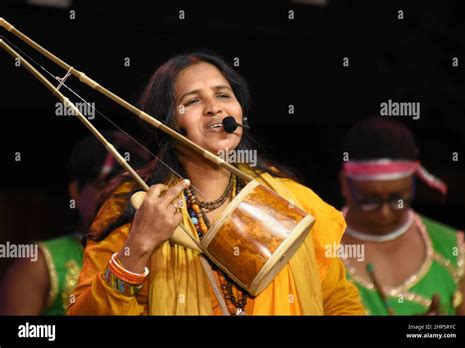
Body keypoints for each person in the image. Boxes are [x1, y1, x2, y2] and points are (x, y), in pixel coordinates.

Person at [67, 52, 365, 315]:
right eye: (193, 100)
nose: (214, 108)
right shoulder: (139, 204)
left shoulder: (289, 198)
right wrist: (138, 247)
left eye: (223, 95)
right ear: (167, 122)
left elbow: (338, 301)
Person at [0, 131, 149, 315]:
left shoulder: (161, 255)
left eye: (129, 189)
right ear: (76, 191)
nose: (116, 198)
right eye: (104, 185)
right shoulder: (40, 263)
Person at [339, 118, 465, 315]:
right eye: (369, 200)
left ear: (412, 185)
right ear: (344, 184)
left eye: (397, 199)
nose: (385, 212)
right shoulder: (318, 250)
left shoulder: (452, 248)